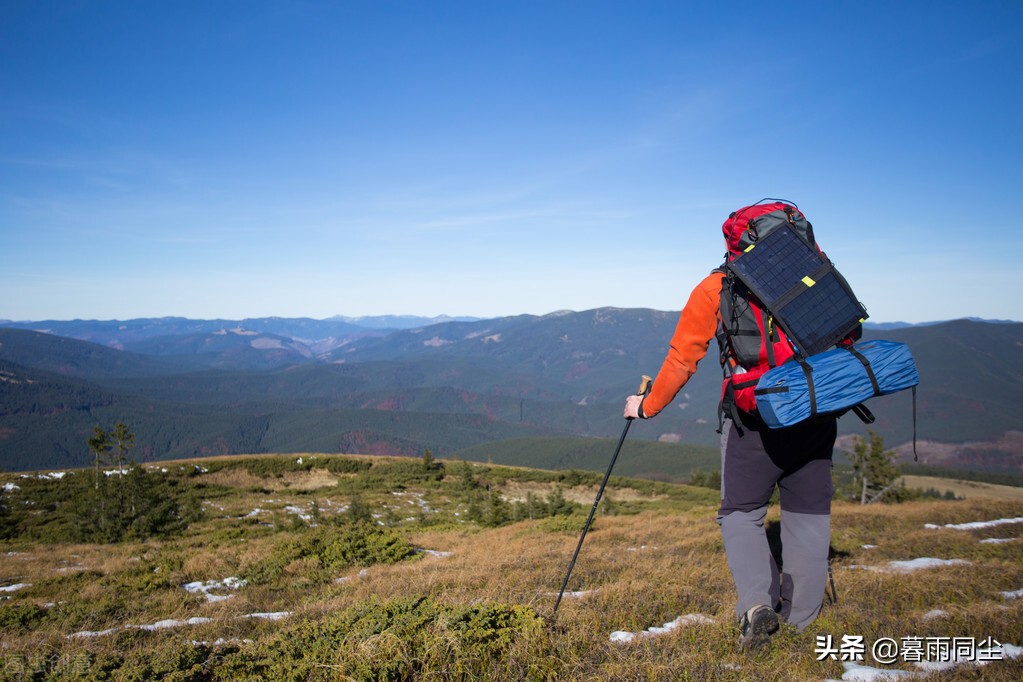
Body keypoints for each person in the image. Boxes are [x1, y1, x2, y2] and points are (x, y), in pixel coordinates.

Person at [623, 201, 838, 650]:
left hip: (753, 417)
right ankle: (801, 623)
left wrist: (646, 407)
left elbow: (684, 358)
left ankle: (756, 606)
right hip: (816, 407)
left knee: (741, 513)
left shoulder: (717, 286)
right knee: (808, 518)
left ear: (735, 240)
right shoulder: (817, 273)